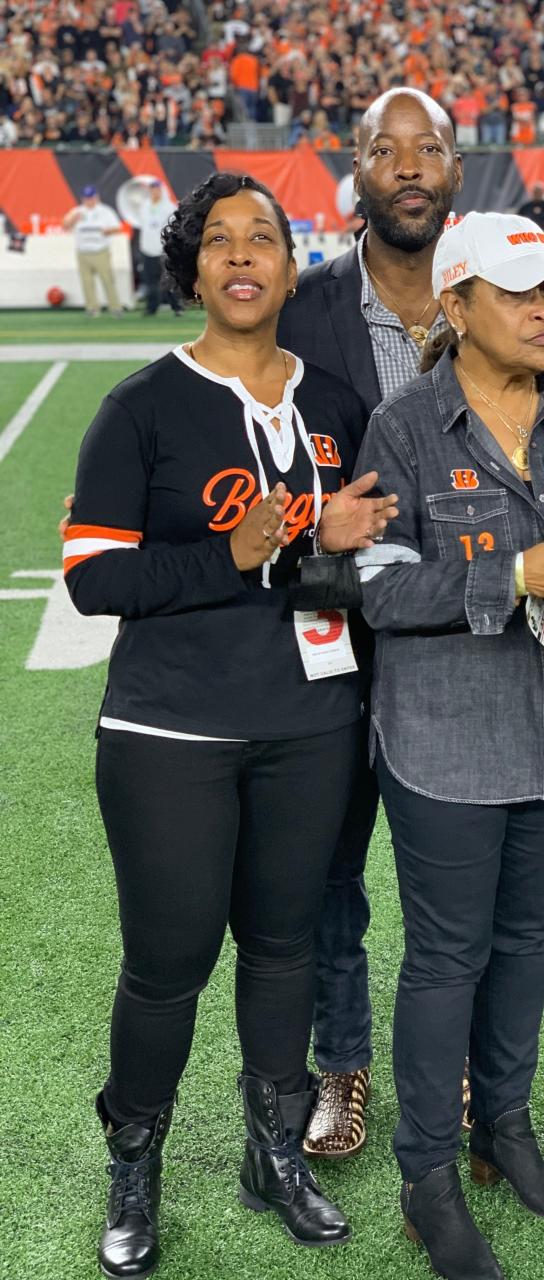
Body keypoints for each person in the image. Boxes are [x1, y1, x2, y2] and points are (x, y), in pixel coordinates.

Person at [65, 171, 398, 1278]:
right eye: (222, 241)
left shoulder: (336, 407)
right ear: (193, 266)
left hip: (310, 719)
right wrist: (235, 553)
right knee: (167, 964)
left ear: (292, 265)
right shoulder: (143, 405)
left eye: (265, 237)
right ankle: (135, 1168)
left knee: (284, 946)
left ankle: (273, 1152)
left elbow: (362, 556)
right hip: (172, 730)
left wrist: (327, 547)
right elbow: (91, 577)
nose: (245, 254)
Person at [352, 211, 544, 1279]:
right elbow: (380, 586)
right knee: (448, 956)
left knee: (524, 941)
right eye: (523, 291)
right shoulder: (402, 424)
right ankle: (427, 1177)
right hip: (444, 734)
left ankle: (506, 1134)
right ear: (456, 306)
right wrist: (519, 574)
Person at [276, 86, 464, 1158]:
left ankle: (466, 1067)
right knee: (332, 874)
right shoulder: (304, 305)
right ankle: (341, 1063)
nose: (406, 167)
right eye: (385, 150)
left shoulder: (491, 289)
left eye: (426, 149)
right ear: (354, 168)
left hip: (466, 636)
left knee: (455, 875)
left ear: (455, 169)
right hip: (337, 636)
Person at [63, 185, 125, 317]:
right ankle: (92, 308)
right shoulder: (77, 212)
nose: (89, 201)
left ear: (96, 197)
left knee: (107, 280)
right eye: (86, 198)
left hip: (100, 251)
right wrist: (72, 220)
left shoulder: (105, 211)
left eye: (91, 198)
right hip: (83, 252)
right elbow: (65, 226)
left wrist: (107, 231)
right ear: (82, 199)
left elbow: (117, 227)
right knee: (87, 282)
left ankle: (115, 307)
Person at [135, 178, 182, 316]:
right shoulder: (144, 206)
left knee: (168, 280)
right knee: (150, 280)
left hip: (163, 249)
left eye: (156, 189)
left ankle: (176, 307)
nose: (154, 192)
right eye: (152, 189)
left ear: (161, 190)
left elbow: (174, 227)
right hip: (147, 247)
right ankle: (151, 307)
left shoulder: (169, 207)